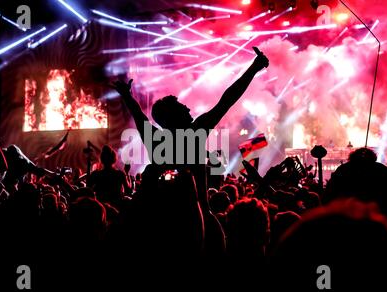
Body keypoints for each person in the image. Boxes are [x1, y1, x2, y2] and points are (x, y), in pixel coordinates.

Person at [111, 48, 269, 210]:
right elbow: (228, 99)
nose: (187, 108)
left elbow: (138, 115)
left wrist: (127, 96)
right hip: (197, 217)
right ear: (171, 117)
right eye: (181, 107)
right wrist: (253, 69)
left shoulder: (155, 139)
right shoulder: (195, 133)